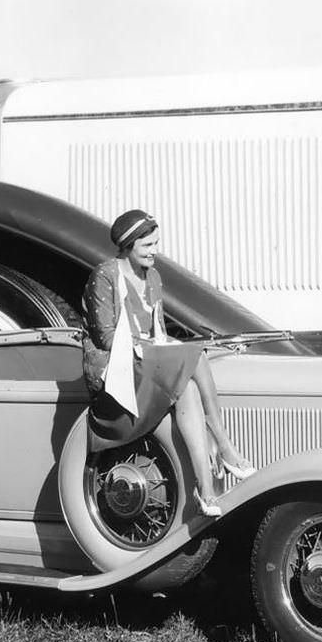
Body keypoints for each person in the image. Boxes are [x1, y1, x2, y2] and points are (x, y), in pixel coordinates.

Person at [82, 210, 256, 517]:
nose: (154, 251)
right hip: (113, 369)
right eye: (147, 245)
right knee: (196, 355)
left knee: (188, 385)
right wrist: (154, 348)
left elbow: (158, 330)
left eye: (156, 243)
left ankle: (205, 489)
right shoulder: (106, 275)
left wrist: (162, 346)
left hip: (144, 360)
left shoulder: (153, 277)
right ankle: (225, 446)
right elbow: (107, 338)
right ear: (128, 245)